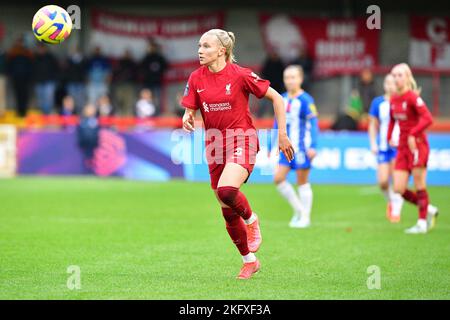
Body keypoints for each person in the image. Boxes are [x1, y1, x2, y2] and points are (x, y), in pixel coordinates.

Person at [181, 29, 294, 279]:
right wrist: (187, 116)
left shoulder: (241, 75)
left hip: (241, 139)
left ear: (222, 50)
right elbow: (190, 108)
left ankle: (252, 220)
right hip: (214, 144)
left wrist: (282, 134)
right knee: (226, 210)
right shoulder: (196, 78)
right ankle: (249, 260)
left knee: (227, 190)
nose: (200, 50)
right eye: (199, 46)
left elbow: (277, 98)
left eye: (206, 46)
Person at [388, 63, 439, 234]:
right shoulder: (394, 98)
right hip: (402, 148)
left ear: (408, 77)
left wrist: (413, 133)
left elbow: (428, 118)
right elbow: (392, 120)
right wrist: (389, 137)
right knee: (398, 189)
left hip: (417, 145)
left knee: (419, 184)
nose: (396, 78)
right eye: (394, 75)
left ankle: (422, 223)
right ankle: (428, 208)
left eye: (400, 75)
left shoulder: (412, 98)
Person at [272, 65, 319, 228]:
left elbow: (313, 124)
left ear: (300, 79)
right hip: (286, 148)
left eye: (293, 77)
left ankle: (305, 217)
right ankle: (299, 210)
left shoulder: (306, 100)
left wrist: (313, 146)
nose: (290, 81)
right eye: (287, 77)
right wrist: (273, 144)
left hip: (302, 148)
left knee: (302, 182)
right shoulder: (281, 99)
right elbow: (276, 123)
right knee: (278, 179)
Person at [368, 74, 404, 223]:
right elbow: (372, 124)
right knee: (383, 182)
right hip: (383, 146)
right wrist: (373, 143)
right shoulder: (378, 103)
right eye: (387, 82)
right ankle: (391, 201)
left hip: (398, 146)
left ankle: (396, 210)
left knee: (397, 182)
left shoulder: (403, 101)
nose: (390, 86)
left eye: (392, 83)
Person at [6, 36, 33, 117]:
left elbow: (30, 65)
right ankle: (19, 112)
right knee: (17, 95)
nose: (20, 43)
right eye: (18, 41)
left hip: (25, 78)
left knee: (24, 95)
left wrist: (30, 76)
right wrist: (11, 74)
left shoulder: (27, 52)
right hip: (16, 77)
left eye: (21, 42)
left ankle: (24, 112)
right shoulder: (13, 52)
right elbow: (9, 65)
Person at [140, 39, 168, 115]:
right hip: (147, 83)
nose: (152, 49)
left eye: (153, 47)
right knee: (146, 101)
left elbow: (166, 66)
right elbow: (141, 67)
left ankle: (157, 116)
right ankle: (146, 116)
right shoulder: (146, 58)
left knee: (157, 101)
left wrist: (162, 54)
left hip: (157, 83)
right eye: (150, 47)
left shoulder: (159, 58)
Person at [32, 43, 60, 115]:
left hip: (49, 81)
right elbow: (32, 69)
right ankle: (42, 114)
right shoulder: (35, 57)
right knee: (40, 99)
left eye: (42, 48)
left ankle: (48, 114)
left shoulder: (50, 57)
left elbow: (56, 69)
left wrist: (55, 79)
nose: (41, 50)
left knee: (49, 98)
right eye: (39, 48)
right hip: (38, 81)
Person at [258, 51, 285, 117]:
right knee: (263, 105)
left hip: (278, 89)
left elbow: (282, 76)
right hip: (267, 88)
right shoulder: (268, 63)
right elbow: (263, 73)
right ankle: (259, 117)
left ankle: (275, 118)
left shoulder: (280, 64)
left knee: (276, 105)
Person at [112, 49, 137, 115]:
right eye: (126, 54)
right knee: (119, 102)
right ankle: (119, 119)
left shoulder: (133, 63)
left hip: (130, 85)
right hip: (120, 84)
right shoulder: (120, 63)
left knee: (129, 103)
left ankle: (127, 120)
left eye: (128, 54)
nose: (127, 55)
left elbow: (136, 73)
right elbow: (115, 73)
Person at [77, 103, 99, 173]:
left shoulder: (96, 120)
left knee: (93, 159)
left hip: (93, 144)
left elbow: (97, 132)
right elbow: (80, 132)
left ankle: (93, 171)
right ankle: (85, 172)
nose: (91, 111)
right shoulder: (82, 120)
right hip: (84, 144)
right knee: (85, 159)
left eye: (92, 109)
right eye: (89, 109)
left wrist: (96, 142)